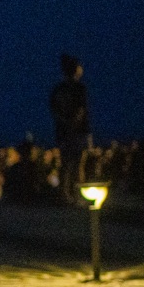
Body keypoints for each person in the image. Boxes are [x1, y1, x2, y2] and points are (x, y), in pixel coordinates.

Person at [49, 54, 90, 202]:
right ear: (76, 70)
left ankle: (64, 194)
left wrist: (64, 123)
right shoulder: (79, 88)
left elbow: (54, 111)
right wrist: (74, 124)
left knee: (65, 163)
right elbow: (81, 110)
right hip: (78, 131)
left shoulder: (58, 89)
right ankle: (78, 194)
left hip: (62, 131)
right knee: (78, 164)